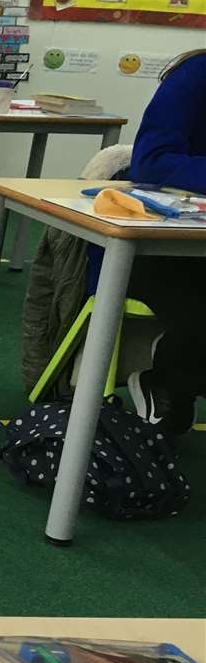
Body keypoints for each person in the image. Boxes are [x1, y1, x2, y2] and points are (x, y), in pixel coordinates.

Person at [124, 48, 206, 434]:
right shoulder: (195, 74)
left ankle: (180, 373)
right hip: (164, 248)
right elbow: (151, 161)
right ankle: (169, 378)